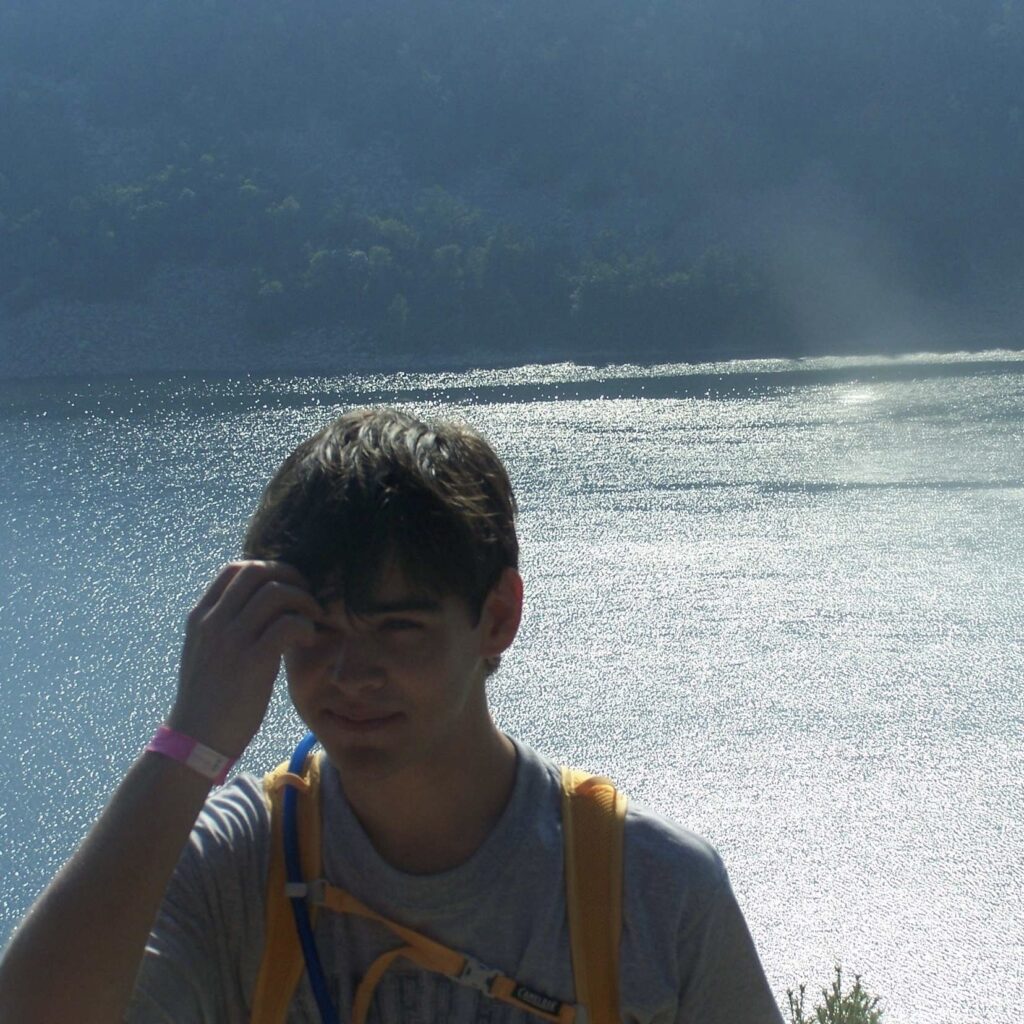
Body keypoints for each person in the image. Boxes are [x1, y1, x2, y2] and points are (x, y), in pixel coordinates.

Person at [0, 407, 783, 1023]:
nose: (350, 674)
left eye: (397, 627)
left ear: (497, 617)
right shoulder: (238, 865)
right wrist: (192, 741)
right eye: (316, 628)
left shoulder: (654, 891)